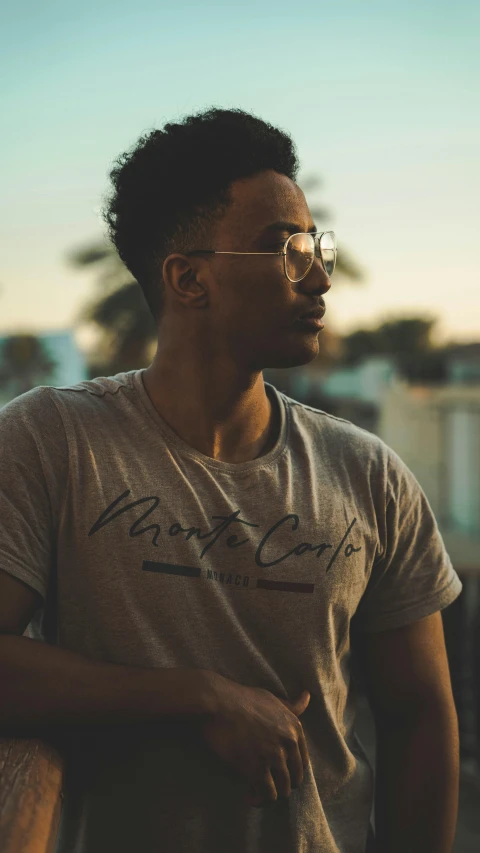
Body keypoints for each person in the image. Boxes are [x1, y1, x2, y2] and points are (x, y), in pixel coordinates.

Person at [0, 108, 461, 853]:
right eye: (285, 250)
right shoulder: (54, 440)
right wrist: (192, 696)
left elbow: (420, 717)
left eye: (318, 248)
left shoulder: (369, 474)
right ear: (189, 278)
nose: (318, 277)